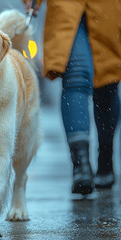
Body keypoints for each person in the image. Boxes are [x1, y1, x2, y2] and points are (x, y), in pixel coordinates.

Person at [23, 0, 121, 193]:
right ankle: (80, 165)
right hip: (65, 6)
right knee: (75, 76)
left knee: (107, 83)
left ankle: (106, 157)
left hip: (110, 7)